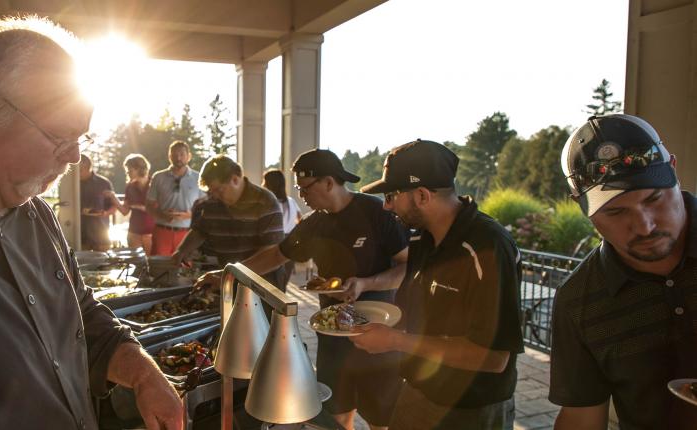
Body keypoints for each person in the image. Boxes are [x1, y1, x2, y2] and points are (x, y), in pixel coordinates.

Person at [0, 17, 182, 429]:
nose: (75, 157)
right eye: (61, 135)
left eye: (83, 139)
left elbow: (82, 314)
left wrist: (143, 373)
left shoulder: (36, 211)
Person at [196, 149, 410, 430]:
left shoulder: (376, 212)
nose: (301, 196)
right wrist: (233, 272)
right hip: (333, 333)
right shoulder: (315, 223)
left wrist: (366, 283)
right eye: (298, 188)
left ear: (329, 183)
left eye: (305, 188)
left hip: (378, 331)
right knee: (334, 414)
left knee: (380, 417)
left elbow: (406, 267)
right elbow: (276, 255)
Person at [351, 139, 523, 430]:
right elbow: (414, 313)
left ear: (421, 195)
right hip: (417, 389)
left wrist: (395, 341)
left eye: (392, 195)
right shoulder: (420, 238)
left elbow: (494, 358)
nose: (386, 205)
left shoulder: (487, 246)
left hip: (470, 409)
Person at [549, 114, 697, 429]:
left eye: (654, 198)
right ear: (580, 206)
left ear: (673, 169)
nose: (644, 225)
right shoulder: (578, 301)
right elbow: (581, 417)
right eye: (616, 211)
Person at [172, 155, 288, 294]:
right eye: (211, 191)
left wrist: (229, 275)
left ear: (235, 179)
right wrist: (182, 250)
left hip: (263, 281)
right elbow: (200, 231)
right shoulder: (212, 202)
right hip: (230, 277)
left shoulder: (265, 201)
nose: (214, 195)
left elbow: (270, 254)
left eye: (219, 189)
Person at [146, 140, 204, 256]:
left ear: (189, 156)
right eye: (174, 154)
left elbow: (205, 208)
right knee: (158, 269)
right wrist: (162, 215)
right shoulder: (158, 177)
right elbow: (148, 205)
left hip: (187, 234)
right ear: (169, 157)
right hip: (162, 231)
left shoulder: (198, 178)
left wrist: (188, 215)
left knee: (185, 271)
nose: (178, 158)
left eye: (182, 154)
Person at [106, 153, 156, 254]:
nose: (127, 172)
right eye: (127, 170)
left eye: (130, 169)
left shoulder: (155, 184)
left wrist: (138, 206)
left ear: (140, 168)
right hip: (134, 232)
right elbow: (124, 211)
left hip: (152, 232)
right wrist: (113, 197)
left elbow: (159, 209)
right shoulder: (130, 187)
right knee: (135, 263)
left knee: (151, 264)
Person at [262, 168, 302, 281]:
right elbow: (300, 219)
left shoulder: (269, 203)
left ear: (269, 184)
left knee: (273, 279)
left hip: (274, 243)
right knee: (283, 280)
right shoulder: (291, 201)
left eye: (264, 181)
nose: (262, 184)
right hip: (291, 242)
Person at [80, 154, 115, 251]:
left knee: (103, 264)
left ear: (89, 168)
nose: (77, 173)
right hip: (79, 235)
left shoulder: (104, 183)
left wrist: (106, 213)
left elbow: (113, 206)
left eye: (80, 170)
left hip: (100, 235)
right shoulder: (72, 183)